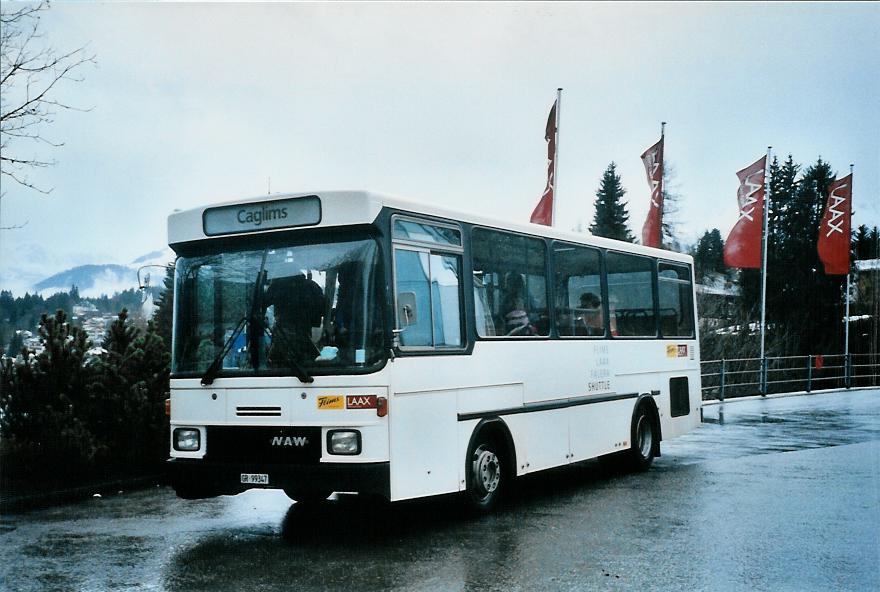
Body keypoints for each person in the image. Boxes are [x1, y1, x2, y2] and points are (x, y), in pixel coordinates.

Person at [265, 271, 324, 364]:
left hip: (284, 335)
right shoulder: (312, 287)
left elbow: (261, 304)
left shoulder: (277, 286)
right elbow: (317, 320)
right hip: (304, 337)